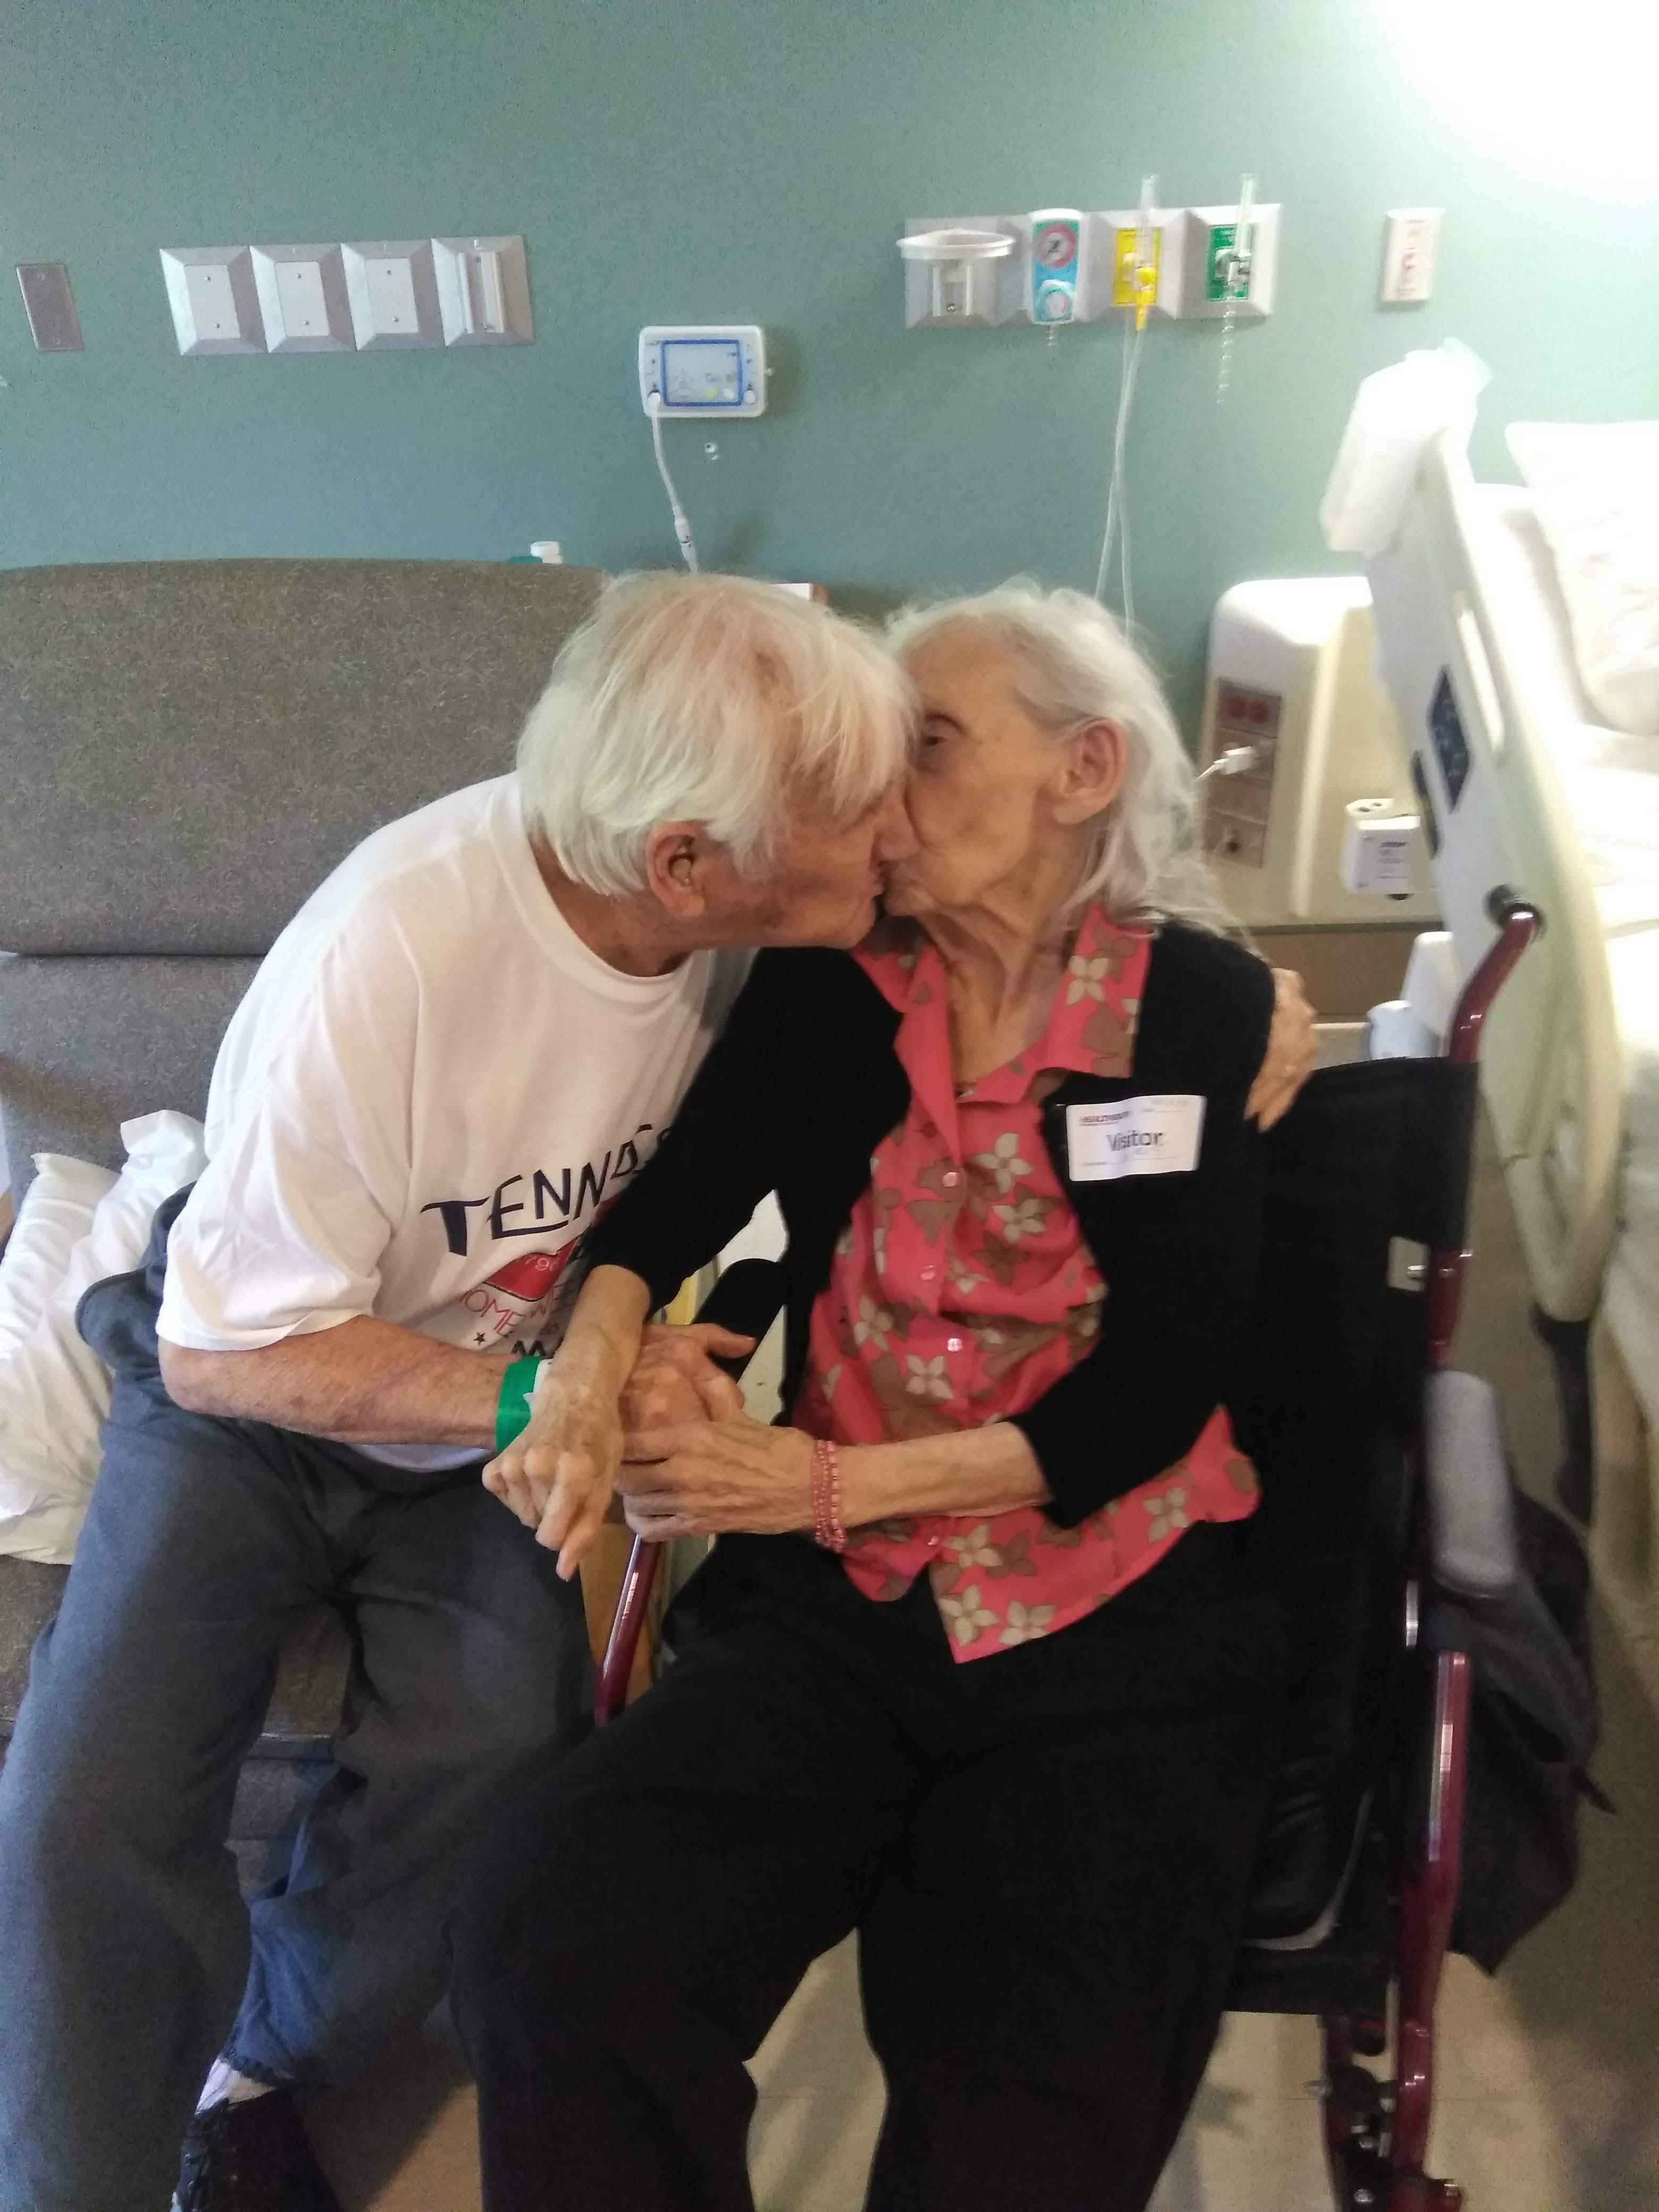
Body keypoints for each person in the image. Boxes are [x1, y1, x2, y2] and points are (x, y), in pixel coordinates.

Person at [0, 574, 920, 2212]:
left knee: (504, 1746)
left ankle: (264, 2053)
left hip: (492, 1406)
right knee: (85, 1800)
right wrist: (541, 1406)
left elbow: (1063, 943)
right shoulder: (400, 949)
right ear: (687, 865)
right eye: (851, 815)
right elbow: (221, 1346)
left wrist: (1250, 1019)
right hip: (258, 1397)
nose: (892, 834)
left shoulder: (771, 934)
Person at [450, 580, 1304, 2212]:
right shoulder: (840, 983)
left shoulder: (1196, 1008)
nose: (873, 810)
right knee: (548, 1931)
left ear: (1083, 770)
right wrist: (590, 1372)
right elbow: (662, 1217)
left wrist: (809, 1488)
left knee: (1023, 2126)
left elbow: (1149, 1400)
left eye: (923, 749)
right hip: (837, 1615)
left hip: (1112, 1624)